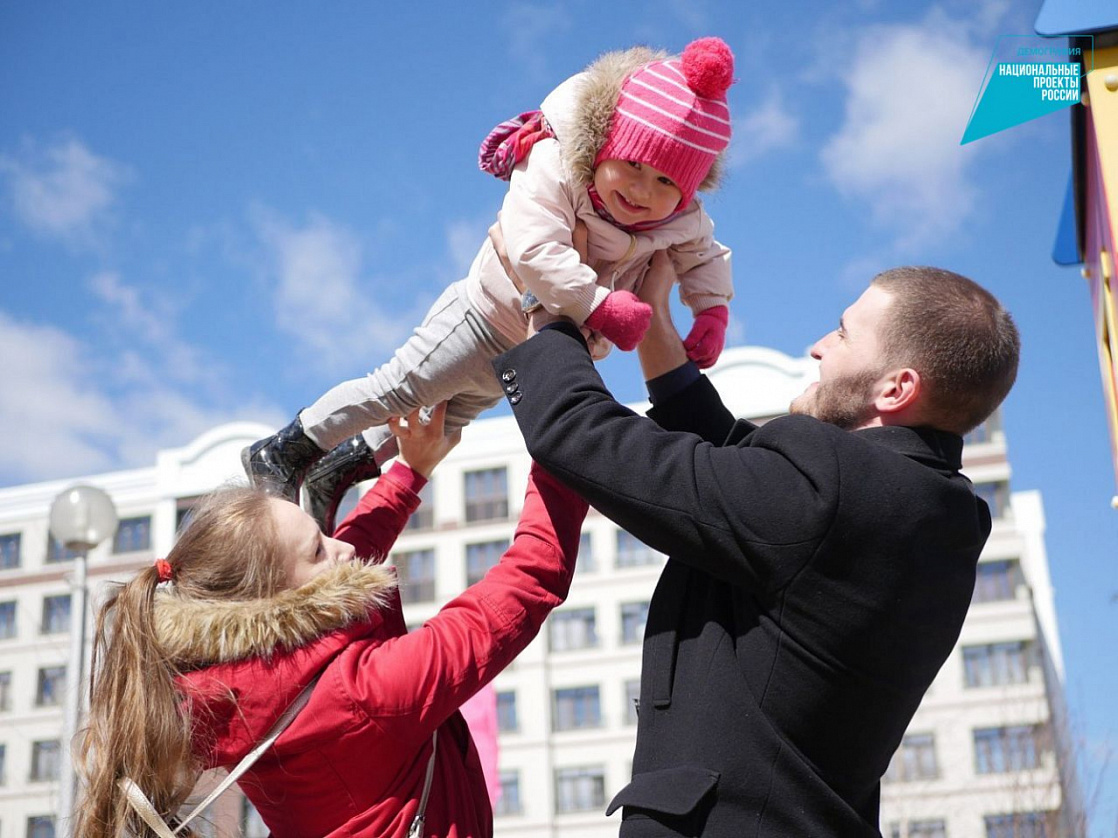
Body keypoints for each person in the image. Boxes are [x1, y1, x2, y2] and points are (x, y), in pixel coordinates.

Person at [488, 253, 1020, 836]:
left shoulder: (831, 493)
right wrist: (654, 323)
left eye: (843, 334)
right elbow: (728, 458)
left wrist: (548, 304)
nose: (819, 346)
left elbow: (586, 439)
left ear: (896, 388)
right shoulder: (933, 511)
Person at [241, 37, 737, 535]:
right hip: (480, 315)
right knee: (398, 388)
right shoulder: (555, 166)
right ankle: (286, 450)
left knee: (442, 421)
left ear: (688, 190)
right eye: (633, 165)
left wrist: (711, 311)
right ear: (608, 143)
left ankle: (338, 471)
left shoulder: (680, 219)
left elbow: (703, 254)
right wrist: (600, 306)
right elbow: (532, 250)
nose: (641, 192)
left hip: (522, 348)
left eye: (665, 183)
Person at [75, 402, 588, 838]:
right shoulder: (368, 693)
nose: (342, 546)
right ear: (272, 602)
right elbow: (528, 580)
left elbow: (336, 579)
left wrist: (410, 475)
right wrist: (564, 425)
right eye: (319, 547)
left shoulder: (229, 688)